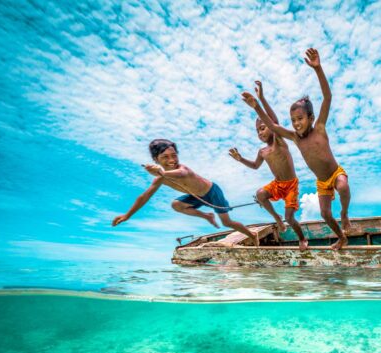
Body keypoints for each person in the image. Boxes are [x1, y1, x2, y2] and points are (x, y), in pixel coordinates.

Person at [241, 48, 351, 250]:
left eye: (300, 119)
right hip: (322, 182)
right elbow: (274, 126)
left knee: (343, 186)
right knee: (325, 214)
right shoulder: (294, 138)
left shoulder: (319, 128)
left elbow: (327, 97)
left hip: (335, 174)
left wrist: (318, 69)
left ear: (310, 118)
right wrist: (256, 107)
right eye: (293, 120)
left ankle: (344, 213)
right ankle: (341, 238)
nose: (296, 124)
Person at [112, 139, 259, 246]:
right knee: (176, 204)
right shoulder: (159, 178)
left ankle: (251, 234)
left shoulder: (183, 169)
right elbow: (144, 197)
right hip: (196, 196)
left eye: (174, 155)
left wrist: (161, 172)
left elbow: (180, 175)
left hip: (212, 192)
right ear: (156, 159)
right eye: (165, 157)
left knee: (227, 222)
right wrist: (127, 215)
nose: (172, 160)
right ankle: (207, 216)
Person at [230, 81, 308, 251]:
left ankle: (302, 238)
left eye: (263, 128)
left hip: (291, 185)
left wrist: (260, 101)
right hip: (277, 184)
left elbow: (273, 120)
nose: (260, 132)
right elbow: (255, 166)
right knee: (260, 194)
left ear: (272, 129)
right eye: (257, 131)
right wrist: (240, 159)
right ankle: (277, 218)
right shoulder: (263, 151)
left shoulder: (279, 141)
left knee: (290, 217)